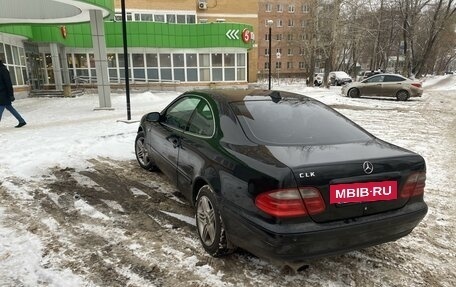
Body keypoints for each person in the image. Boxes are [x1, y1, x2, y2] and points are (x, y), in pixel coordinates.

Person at [0, 59, 26, 128]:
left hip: (3, 94)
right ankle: (21, 121)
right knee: (10, 108)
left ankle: (21, 121)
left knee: (1, 108)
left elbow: (8, 83)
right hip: (2, 94)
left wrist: (11, 94)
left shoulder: (3, 70)